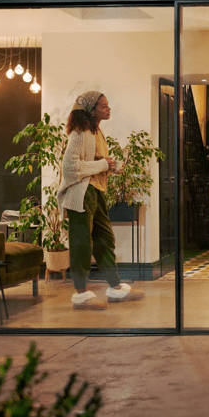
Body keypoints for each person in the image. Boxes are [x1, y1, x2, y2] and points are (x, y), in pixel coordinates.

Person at [57, 91, 145, 310]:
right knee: (82, 243)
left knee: (105, 239)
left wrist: (111, 166)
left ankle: (115, 288)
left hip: (95, 191)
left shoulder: (97, 132)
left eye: (108, 105)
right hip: (80, 193)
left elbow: (96, 162)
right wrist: (103, 165)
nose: (108, 109)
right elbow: (69, 168)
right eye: (104, 106)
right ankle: (80, 294)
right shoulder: (80, 133)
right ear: (91, 110)